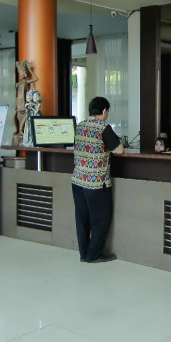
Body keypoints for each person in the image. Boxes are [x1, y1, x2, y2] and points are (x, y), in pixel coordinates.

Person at [71, 96, 124, 263]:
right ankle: (93, 255)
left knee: (82, 218)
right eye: (107, 111)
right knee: (101, 218)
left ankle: (84, 253)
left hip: (78, 179)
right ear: (104, 110)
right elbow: (119, 150)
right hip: (96, 181)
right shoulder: (103, 127)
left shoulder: (80, 125)